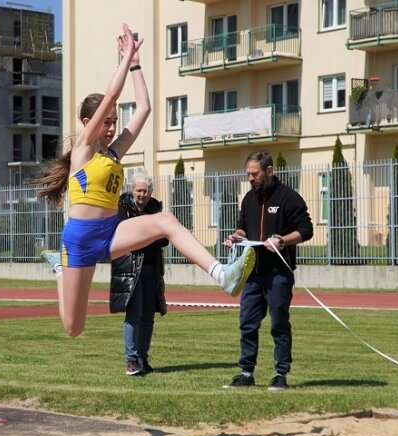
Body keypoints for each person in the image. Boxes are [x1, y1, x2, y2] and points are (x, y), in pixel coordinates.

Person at [34, 23, 254, 338]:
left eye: (114, 122)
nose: (111, 129)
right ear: (88, 123)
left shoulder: (113, 153)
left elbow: (145, 108)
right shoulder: (82, 150)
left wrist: (136, 64)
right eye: (106, 122)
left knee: (164, 220)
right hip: (79, 240)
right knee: (73, 327)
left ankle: (224, 275)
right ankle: (59, 268)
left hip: (111, 232)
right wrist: (123, 59)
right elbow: (112, 93)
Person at [223, 149, 313, 391]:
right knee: (247, 324)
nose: (250, 179)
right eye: (248, 174)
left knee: (279, 324)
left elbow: (306, 230)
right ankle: (246, 373)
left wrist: (282, 241)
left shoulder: (289, 197)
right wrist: (237, 237)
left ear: (269, 171)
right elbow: (243, 227)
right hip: (252, 274)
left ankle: (281, 374)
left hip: (278, 276)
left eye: (254, 174)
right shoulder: (249, 198)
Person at [109, 176, 167, 376]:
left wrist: (143, 235)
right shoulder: (122, 208)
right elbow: (126, 235)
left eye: (145, 191)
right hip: (129, 267)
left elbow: (164, 239)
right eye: (139, 191)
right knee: (134, 314)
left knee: (149, 316)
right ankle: (131, 359)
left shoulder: (155, 208)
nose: (142, 195)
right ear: (132, 190)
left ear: (150, 192)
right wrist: (150, 233)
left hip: (152, 267)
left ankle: (143, 357)